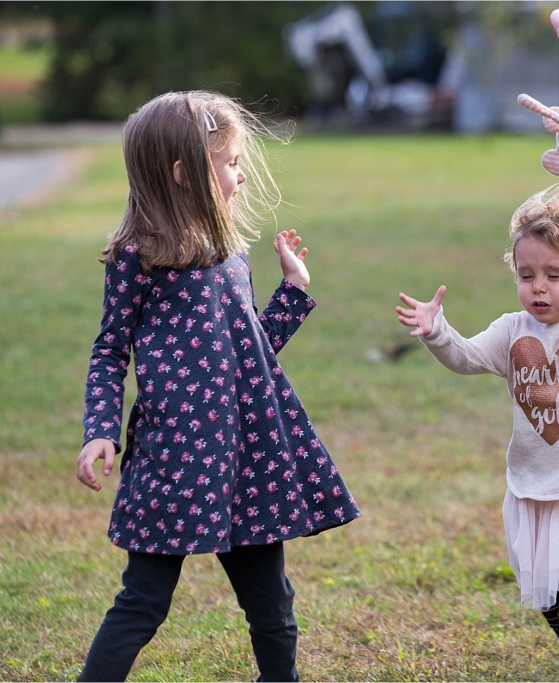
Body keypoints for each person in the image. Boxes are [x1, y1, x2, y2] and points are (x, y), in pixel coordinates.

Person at [75, 90, 360, 682]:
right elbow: (109, 351)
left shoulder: (231, 255)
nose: (242, 175)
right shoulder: (138, 259)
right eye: (231, 163)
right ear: (185, 175)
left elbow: (247, 351)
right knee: (143, 602)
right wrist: (100, 432)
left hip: (245, 460)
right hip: (172, 461)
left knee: (272, 609)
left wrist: (294, 292)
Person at [396, 180, 559, 683]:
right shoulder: (514, 329)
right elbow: (469, 358)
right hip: (534, 494)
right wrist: (437, 333)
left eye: (553, 275)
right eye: (527, 274)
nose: (538, 286)